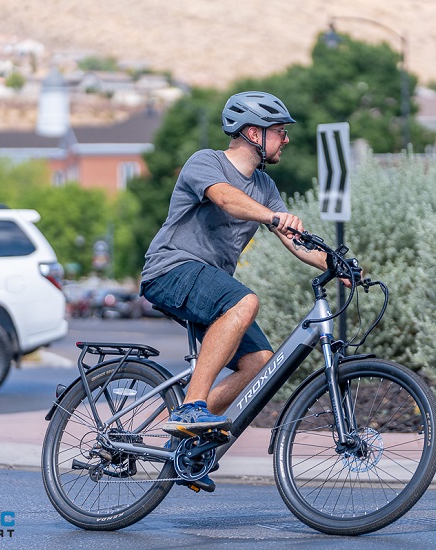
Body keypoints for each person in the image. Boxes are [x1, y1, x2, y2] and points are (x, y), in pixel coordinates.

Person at [140, 91, 343, 473]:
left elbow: (296, 242)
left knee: (260, 363)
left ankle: (178, 446)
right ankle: (191, 408)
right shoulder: (206, 162)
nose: (286, 139)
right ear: (253, 133)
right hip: (171, 269)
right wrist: (272, 217)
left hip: (207, 283)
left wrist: (340, 265)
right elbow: (227, 200)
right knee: (244, 302)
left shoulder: (265, 187)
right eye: (279, 131)